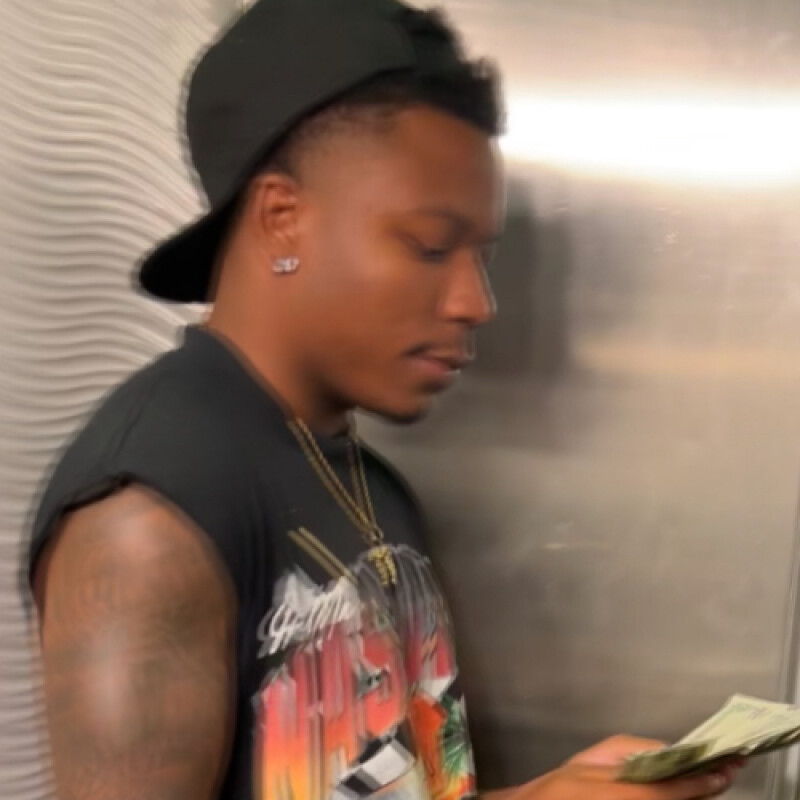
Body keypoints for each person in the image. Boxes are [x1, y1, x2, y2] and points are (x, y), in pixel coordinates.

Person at [27, 2, 741, 800]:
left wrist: (550, 793)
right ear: (283, 220)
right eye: (431, 246)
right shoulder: (148, 519)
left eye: (479, 255)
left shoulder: (368, 484)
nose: (476, 302)